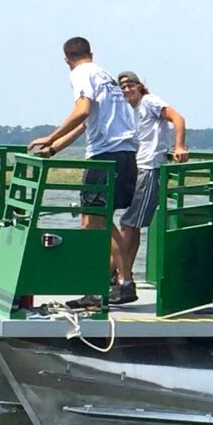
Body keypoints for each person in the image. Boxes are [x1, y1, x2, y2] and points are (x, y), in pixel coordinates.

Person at [26, 37, 139, 306]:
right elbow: (88, 122)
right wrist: (54, 147)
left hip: (105, 156)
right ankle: (117, 282)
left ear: (66, 60)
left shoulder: (81, 74)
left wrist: (50, 135)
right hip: (124, 154)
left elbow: (81, 111)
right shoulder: (105, 75)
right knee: (95, 221)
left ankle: (116, 284)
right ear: (91, 53)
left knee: (94, 222)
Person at [113, 71, 190, 301]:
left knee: (128, 224)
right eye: (123, 87)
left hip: (151, 169)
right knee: (130, 224)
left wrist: (179, 146)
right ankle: (122, 276)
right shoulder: (133, 110)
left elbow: (178, 117)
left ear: (140, 86)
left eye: (131, 85)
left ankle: (121, 278)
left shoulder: (150, 101)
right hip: (138, 167)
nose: (127, 90)